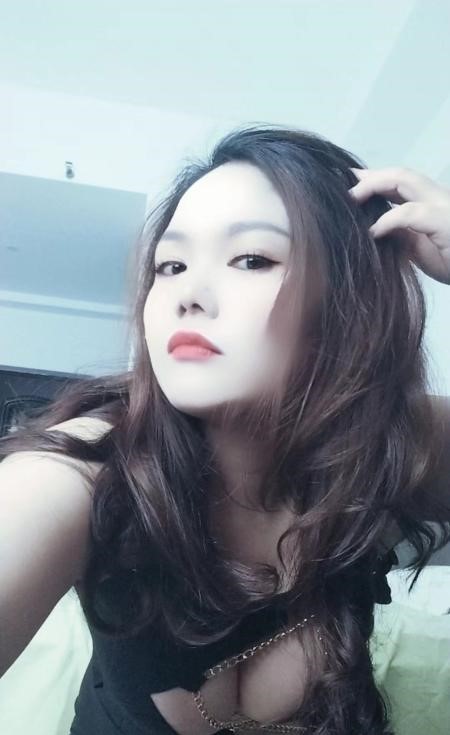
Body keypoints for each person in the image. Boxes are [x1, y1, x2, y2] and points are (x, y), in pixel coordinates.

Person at [0, 125, 449, 735]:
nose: (187, 294)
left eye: (252, 259)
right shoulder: (80, 473)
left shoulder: (395, 443)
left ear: (350, 302)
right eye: (171, 265)